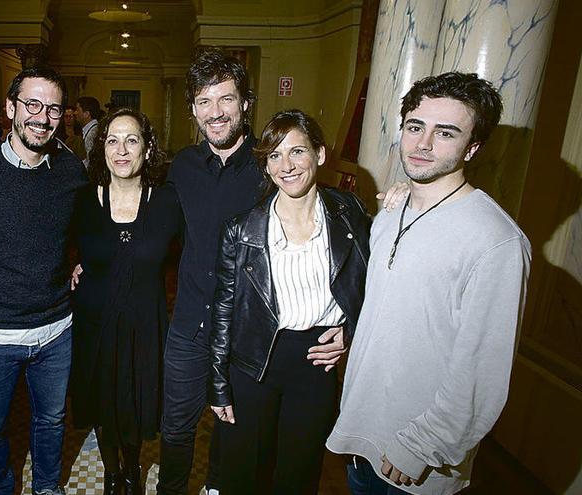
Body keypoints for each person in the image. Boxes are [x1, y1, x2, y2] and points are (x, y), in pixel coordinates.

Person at [326, 72, 531, 495]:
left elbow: (482, 372)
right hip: (363, 434)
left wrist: (423, 445)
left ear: (472, 148)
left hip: (420, 461)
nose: (423, 143)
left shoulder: (496, 241)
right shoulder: (389, 214)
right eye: (416, 127)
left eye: (446, 133)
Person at [158, 48, 348, 495]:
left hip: (248, 331)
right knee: (177, 425)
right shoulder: (181, 166)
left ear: (246, 103)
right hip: (188, 322)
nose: (215, 112)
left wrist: (346, 324)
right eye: (204, 102)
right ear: (193, 111)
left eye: (226, 99)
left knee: (234, 426)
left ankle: (217, 488)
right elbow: (151, 223)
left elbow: (326, 225)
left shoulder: (270, 168)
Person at [208, 110, 370, 493]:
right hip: (253, 361)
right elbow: (224, 310)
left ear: (320, 154)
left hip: (316, 363)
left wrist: (349, 331)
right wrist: (218, 383)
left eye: (297, 152)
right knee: (244, 474)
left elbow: (370, 286)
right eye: (274, 156)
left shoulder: (351, 214)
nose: (287, 166)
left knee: (299, 474)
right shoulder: (242, 227)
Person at [0, 66, 88, 495]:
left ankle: (48, 487)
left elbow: (82, 234)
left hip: (56, 330)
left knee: (51, 421)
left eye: (52, 109)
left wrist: (80, 262)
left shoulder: (71, 173)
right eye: (32, 105)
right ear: (10, 108)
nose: (41, 118)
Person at [70, 108, 182, 494]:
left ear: (147, 150)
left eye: (131, 140)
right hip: (95, 322)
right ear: (101, 149)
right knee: (103, 399)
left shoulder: (169, 202)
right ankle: (112, 470)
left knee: (135, 398)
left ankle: (132, 469)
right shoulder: (82, 200)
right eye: (112, 140)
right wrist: (70, 267)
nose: (121, 150)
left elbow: (201, 252)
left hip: (144, 323)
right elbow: (51, 243)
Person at [76, 96, 102, 167]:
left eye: (78, 110)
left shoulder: (93, 134)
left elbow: (91, 162)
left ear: (87, 114)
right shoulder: (92, 130)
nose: (75, 113)